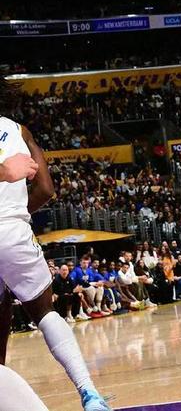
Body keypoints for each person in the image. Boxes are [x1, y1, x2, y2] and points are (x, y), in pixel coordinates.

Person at [0, 75, 112, 411]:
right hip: (13, 232)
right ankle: (89, 393)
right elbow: (46, 189)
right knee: (44, 312)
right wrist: (16, 210)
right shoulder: (19, 131)